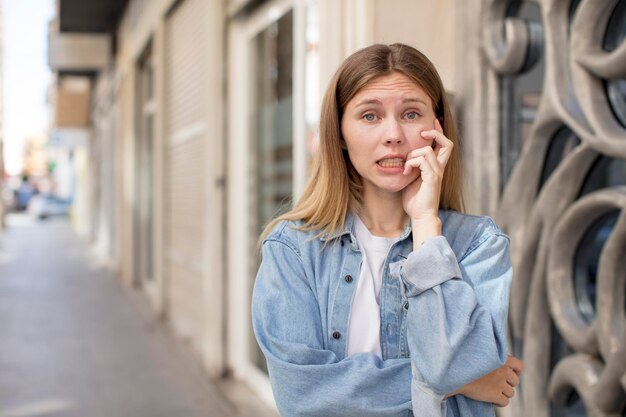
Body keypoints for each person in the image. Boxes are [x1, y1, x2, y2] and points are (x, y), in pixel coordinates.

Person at [252, 43, 522, 417]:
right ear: (341, 133)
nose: (394, 134)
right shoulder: (293, 248)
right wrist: (458, 384)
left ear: (437, 128)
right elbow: (301, 396)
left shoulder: (478, 244)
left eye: (411, 114)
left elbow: (453, 366)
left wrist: (426, 223)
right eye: (370, 116)